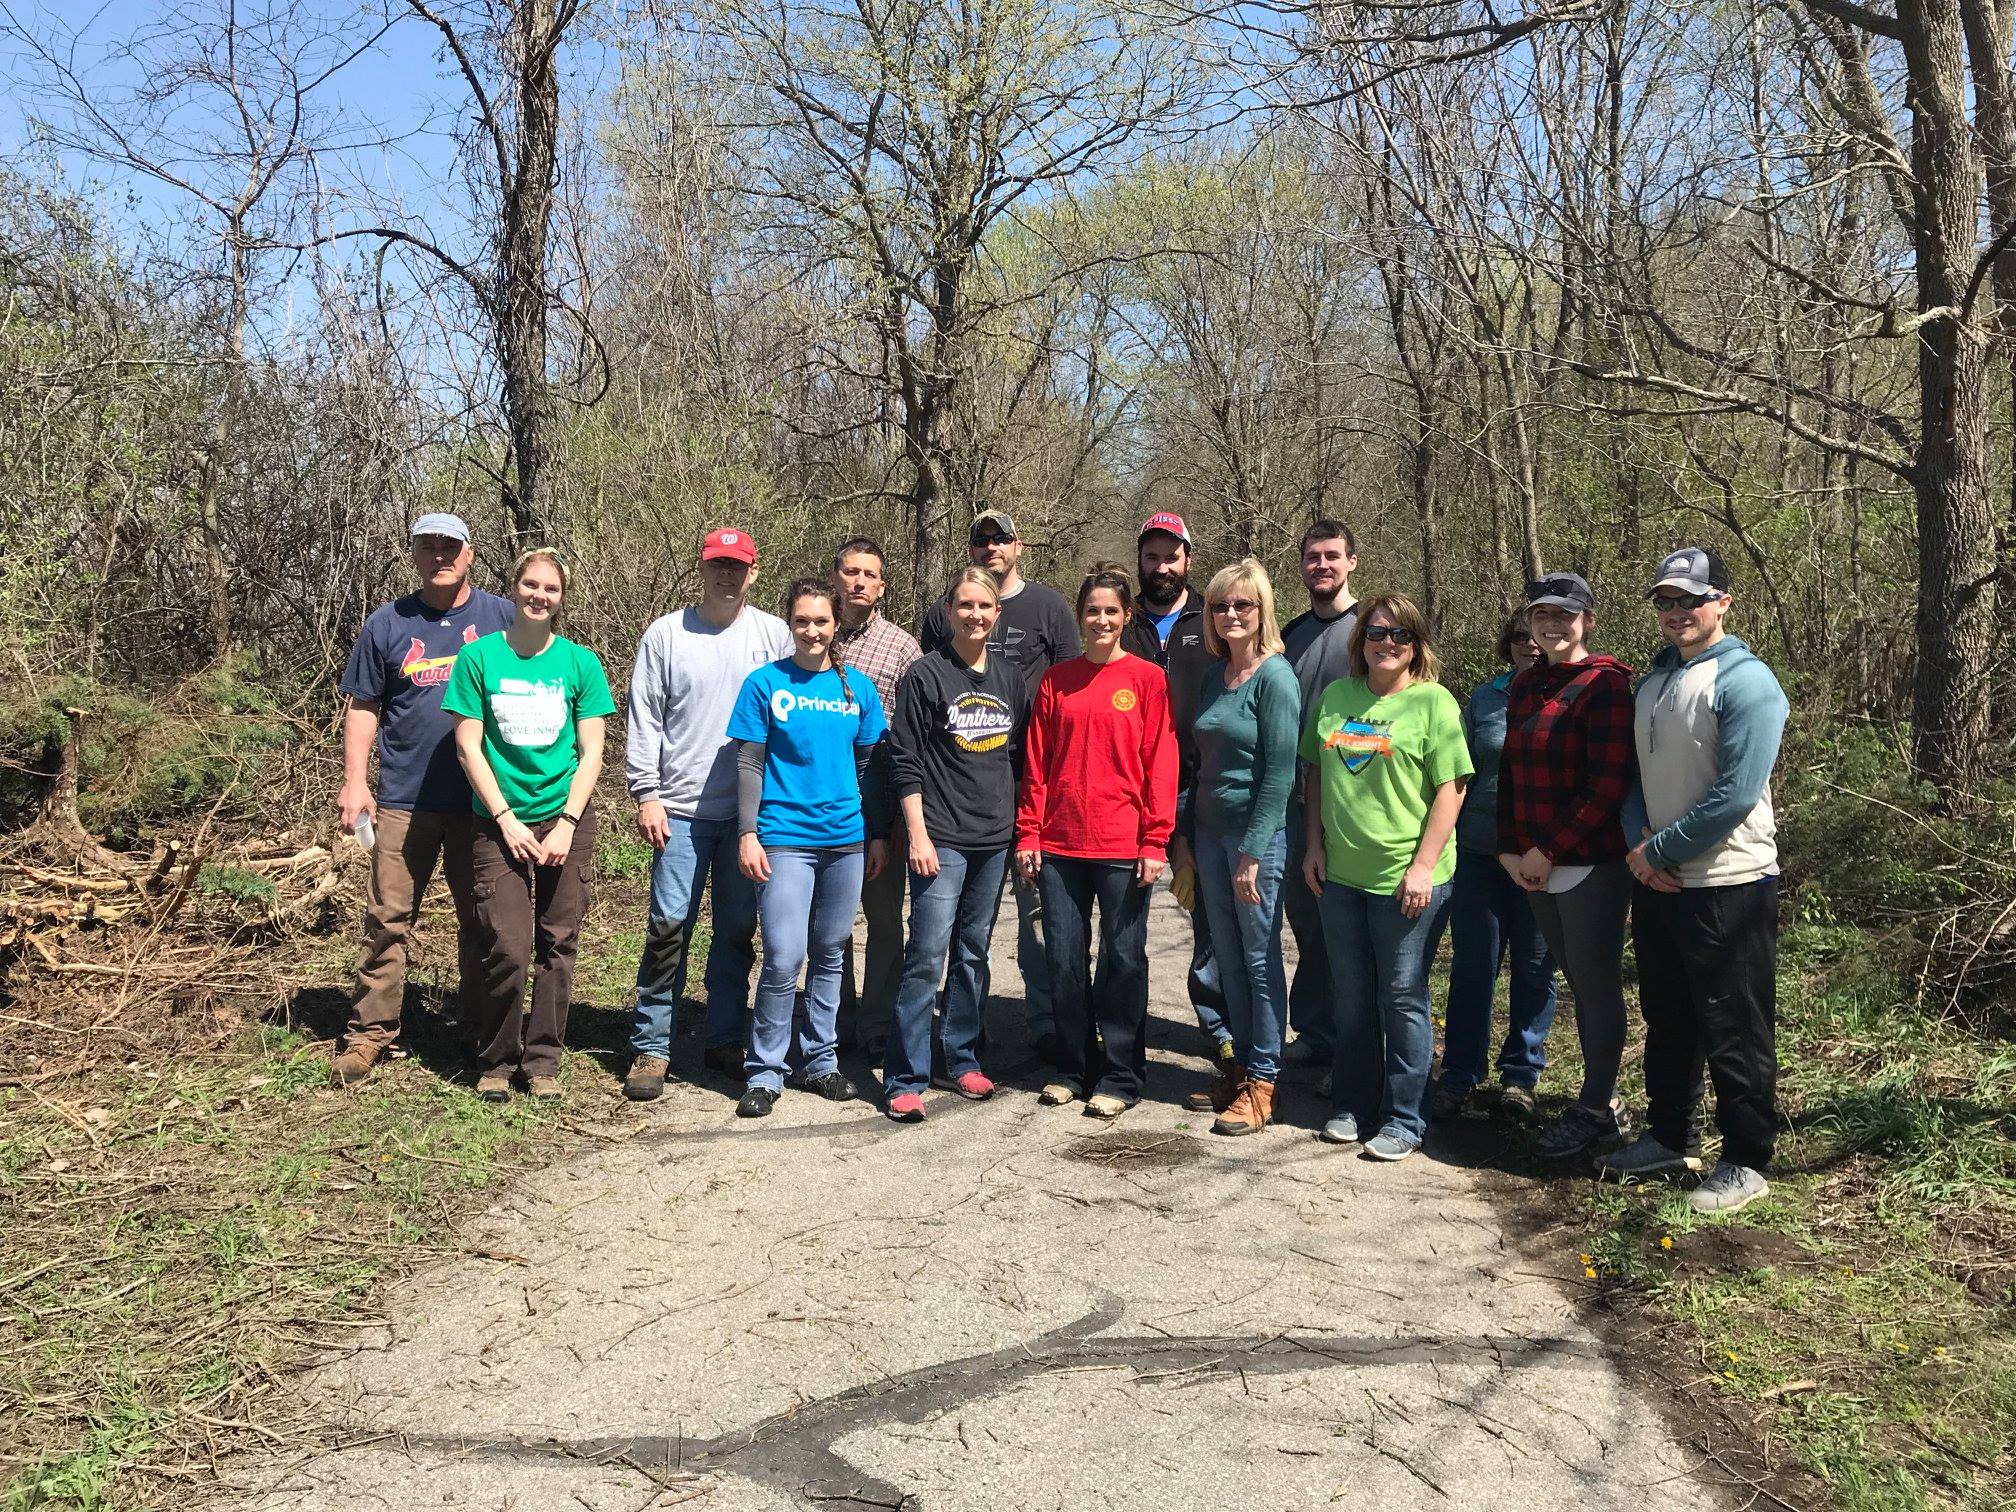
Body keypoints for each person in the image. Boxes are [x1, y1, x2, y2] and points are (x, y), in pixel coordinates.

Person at [1601, 547, 1788, 1215]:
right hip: (1658, 882)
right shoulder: (1651, 683)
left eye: (1691, 599)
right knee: (1670, 1016)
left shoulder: (1748, 682)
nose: (1678, 612)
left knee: (1734, 1023)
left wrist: (1664, 850)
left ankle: (1745, 1158)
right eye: (1666, 601)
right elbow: (1633, 784)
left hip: (1730, 884)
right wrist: (1639, 849)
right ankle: (1669, 1134)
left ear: (1723, 603)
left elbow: (1737, 793)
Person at [331, 513, 516, 1087]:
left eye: (450, 547)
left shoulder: (502, 619)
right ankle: (370, 1033)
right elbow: (364, 707)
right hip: (405, 798)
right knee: (388, 918)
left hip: (484, 801)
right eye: (427, 546)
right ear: (413, 553)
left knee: (483, 920)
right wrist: (355, 780)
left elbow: (538, 689)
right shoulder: (388, 623)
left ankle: (479, 1028)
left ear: (470, 553)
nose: (440, 556)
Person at [622, 527, 792, 1101]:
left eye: (736, 565)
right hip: (680, 811)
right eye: (717, 564)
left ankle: (724, 1037)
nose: (727, 575)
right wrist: (646, 791)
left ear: (754, 571)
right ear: (702, 568)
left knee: (737, 932)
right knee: (669, 928)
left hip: (750, 817)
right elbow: (644, 716)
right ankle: (651, 1045)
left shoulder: (774, 634)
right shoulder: (667, 635)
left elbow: (788, 719)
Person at [1301, 594, 1471, 1160]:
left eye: (1400, 634)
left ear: (1417, 645)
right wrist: (1313, 846)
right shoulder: (1337, 696)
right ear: (1361, 641)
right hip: (1341, 877)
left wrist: (1423, 868)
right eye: (1377, 632)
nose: (1387, 643)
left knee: (1401, 997)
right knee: (1352, 998)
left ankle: (1405, 1116)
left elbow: (1453, 790)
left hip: (1407, 879)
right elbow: (1315, 773)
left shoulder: (1433, 703)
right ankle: (1354, 1103)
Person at [442, 547, 614, 1101]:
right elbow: (468, 745)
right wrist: (505, 818)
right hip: (497, 824)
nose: (540, 596)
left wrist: (566, 821)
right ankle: (497, 1058)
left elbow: (591, 752)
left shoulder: (580, 663)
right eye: (531, 585)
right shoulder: (480, 659)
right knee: (507, 946)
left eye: (552, 589)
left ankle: (542, 1061)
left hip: (565, 819)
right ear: (514, 588)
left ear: (562, 598)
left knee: (558, 941)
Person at [1016, 564, 1177, 1119]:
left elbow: (1161, 761)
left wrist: (1155, 840)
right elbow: (1037, 764)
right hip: (1060, 845)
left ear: (1126, 616)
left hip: (1123, 844)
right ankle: (1073, 1066)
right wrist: (1029, 832)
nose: (1102, 619)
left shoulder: (1147, 680)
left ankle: (1123, 1073)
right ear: (1080, 618)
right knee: (1062, 959)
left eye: (1112, 611)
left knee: (1124, 959)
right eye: (1092, 611)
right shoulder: (1056, 682)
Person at [728, 578, 890, 1119]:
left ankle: (821, 1060)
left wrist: (876, 835)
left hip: (845, 840)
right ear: (790, 624)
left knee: (830, 952)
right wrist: (747, 832)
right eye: (802, 621)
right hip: (782, 838)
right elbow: (749, 762)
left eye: (822, 621)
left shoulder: (857, 689)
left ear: (835, 623)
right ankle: (765, 1070)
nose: (813, 630)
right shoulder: (765, 684)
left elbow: (871, 767)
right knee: (783, 955)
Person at [921, 509, 1079, 1057]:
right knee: (953, 930)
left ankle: (1048, 1024)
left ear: (1019, 545)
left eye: (1001, 537)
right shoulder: (943, 614)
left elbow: (1067, 687)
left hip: (1027, 783)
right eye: (981, 538)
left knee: (1033, 914)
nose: (991, 545)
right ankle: (956, 1030)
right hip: (959, 792)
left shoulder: (1049, 607)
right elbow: (933, 702)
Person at [1495, 573, 1637, 1159]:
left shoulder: (1607, 687)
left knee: (1595, 985)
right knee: (1574, 980)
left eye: (1565, 614)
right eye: (1541, 615)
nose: (1552, 624)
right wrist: (1510, 847)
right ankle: (1602, 1100)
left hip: (1587, 864)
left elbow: (1606, 786)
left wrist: (1546, 849)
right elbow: (1509, 774)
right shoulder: (1525, 686)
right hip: (1531, 864)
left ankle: (1596, 1107)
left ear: (1588, 620)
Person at [882, 568, 1030, 1122]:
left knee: (974, 953)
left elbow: (1018, 758)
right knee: (926, 956)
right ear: (949, 612)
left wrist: (1019, 832)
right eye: (964, 605)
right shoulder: (925, 675)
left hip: (994, 840)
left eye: (984, 607)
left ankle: (961, 1055)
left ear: (997, 615)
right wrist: (917, 833)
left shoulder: (1011, 678)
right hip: (939, 838)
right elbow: (906, 759)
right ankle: (905, 1076)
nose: (974, 614)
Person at [1181, 559, 1300, 1136]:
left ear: (1262, 612)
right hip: (1209, 834)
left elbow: (1280, 774)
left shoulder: (1276, 678)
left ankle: (1264, 1080)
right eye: (1221, 605)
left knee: (1258, 960)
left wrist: (1254, 851)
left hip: (1256, 841)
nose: (1231, 614)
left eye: (1243, 605)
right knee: (1226, 957)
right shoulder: (1213, 674)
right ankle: (1244, 1067)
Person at [1432, 610, 1559, 1121]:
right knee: (1473, 967)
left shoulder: (1570, 695)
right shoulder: (1484, 699)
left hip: (1543, 858)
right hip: (1481, 853)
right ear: (1507, 644)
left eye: (1538, 637)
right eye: (1519, 637)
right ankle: (1461, 1074)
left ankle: (1521, 1077)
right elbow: (1458, 774)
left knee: (1534, 968)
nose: (1530, 645)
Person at [1121, 511, 1230, 1079]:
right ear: (1139, 560)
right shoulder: (1122, 620)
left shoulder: (1209, 619)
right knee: (1124, 910)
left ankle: (1219, 1028)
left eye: (1171, 556)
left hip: (1199, 783)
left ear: (1188, 558)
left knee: (1210, 911)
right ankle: (1120, 1022)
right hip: (1133, 787)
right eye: (1152, 556)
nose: (1161, 566)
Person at [831, 537, 921, 1058]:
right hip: (821, 801)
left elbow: (910, 736)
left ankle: (877, 1021)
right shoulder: (811, 636)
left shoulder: (902, 648)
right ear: (836, 577)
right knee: (832, 922)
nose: (859, 581)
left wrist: (894, 822)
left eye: (869, 574)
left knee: (884, 920)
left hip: (881, 804)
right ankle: (834, 1015)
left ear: (882, 586)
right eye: (850, 571)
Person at [1279, 520, 1361, 1072]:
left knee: (1350, 931)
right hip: (1294, 800)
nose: (1322, 566)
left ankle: (1358, 1042)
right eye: (1313, 557)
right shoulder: (1290, 634)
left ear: (1352, 561)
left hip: (1355, 800)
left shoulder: (1372, 633)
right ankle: (1314, 1029)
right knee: (1306, 922)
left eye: (1333, 555)